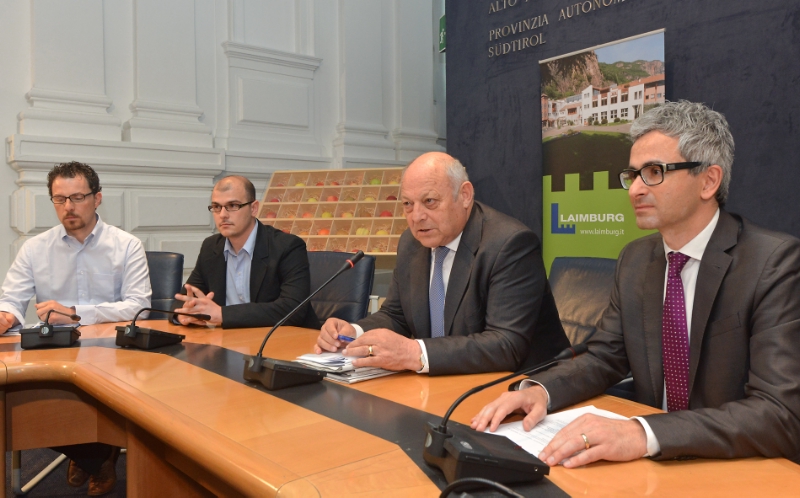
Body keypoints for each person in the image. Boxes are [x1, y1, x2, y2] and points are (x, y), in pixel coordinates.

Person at [472, 101, 800, 466]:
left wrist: (644, 433)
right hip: (648, 469)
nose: (634, 190)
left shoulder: (773, 263)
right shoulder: (635, 260)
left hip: (733, 467)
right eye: (633, 175)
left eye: (654, 172)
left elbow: (779, 413)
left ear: (708, 181)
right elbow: (605, 357)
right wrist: (541, 391)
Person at [315, 152, 569, 375]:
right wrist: (354, 333)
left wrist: (414, 353)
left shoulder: (510, 244)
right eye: (408, 204)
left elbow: (506, 345)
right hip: (446, 381)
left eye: (429, 202)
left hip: (525, 386)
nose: (417, 216)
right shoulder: (411, 242)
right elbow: (396, 315)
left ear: (465, 195)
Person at [0, 161, 151, 495]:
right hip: (55, 349)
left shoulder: (126, 245)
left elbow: (138, 306)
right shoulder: (35, 248)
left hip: (113, 351)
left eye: (77, 197)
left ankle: (87, 452)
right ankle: (95, 456)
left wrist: (75, 313)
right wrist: (6, 316)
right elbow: (11, 298)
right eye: (60, 199)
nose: (68, 206)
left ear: (97, 198)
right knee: (22, 404)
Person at [173, 175, 319, 329]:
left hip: (283, 339)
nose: (223, 215)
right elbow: (185, 298)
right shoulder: (211, 247)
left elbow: (293, 309)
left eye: (232, 205)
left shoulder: (287, 246)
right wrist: (184, 314)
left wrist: (222, 314)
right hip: (230, 339)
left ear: (253, 208)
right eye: (216, 207)